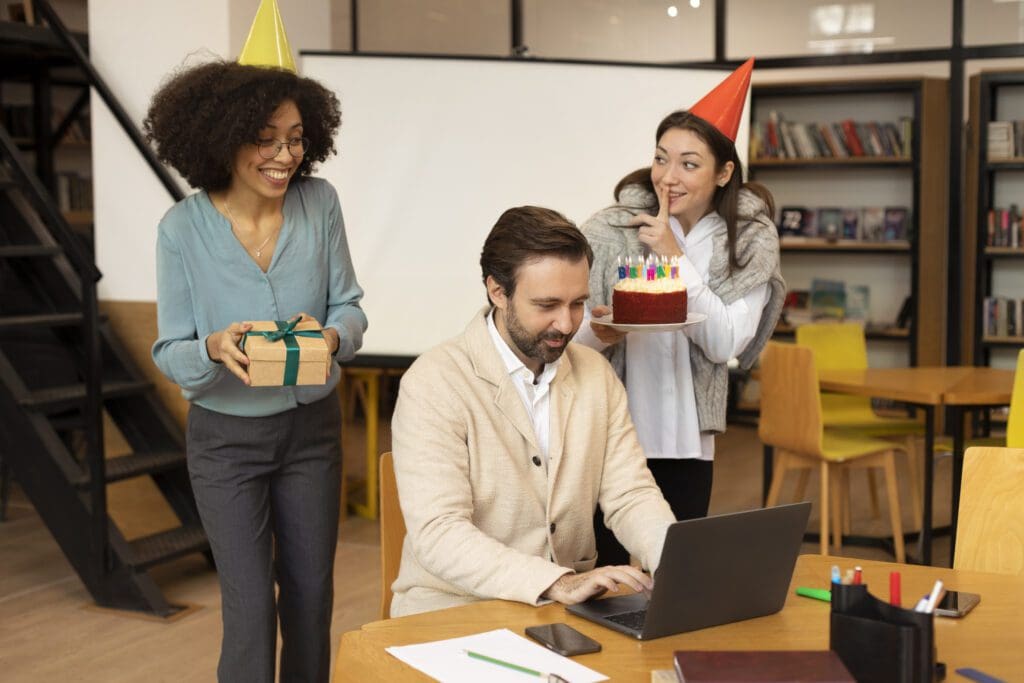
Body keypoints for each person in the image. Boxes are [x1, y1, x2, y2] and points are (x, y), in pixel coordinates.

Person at [144, 21, 367, 683]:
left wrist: (330, 337)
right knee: (247, 608)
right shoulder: (182, 228)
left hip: (311, 432)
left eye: (296, 138)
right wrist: (213, 347)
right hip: (225, 441)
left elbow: (350, 306)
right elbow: (169, 348)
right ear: (222, 138)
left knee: (310, 597)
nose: (284, 155)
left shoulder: (320, 204)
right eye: (265, 139)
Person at [389, 206, 677, 617]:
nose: (566, 323)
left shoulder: (596, 374)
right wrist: (557, 582)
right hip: (451, 611)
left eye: (577, 303)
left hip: (561, 612)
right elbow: (439, 534)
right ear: (497, 291)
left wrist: (677, 563)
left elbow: (630, 494)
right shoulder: (434, 382)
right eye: (547, 305)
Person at [574, 58, 785, 566]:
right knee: (608, 574)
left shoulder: (749, 240)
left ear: (724, 171)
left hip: (690, 442)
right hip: (613, 436)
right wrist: (599, 331)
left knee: (674, 573)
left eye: (689, 164)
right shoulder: (610, 229)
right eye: (661, 158)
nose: (669, 177)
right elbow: (571, 337)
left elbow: (726, 344)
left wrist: (673, 255)